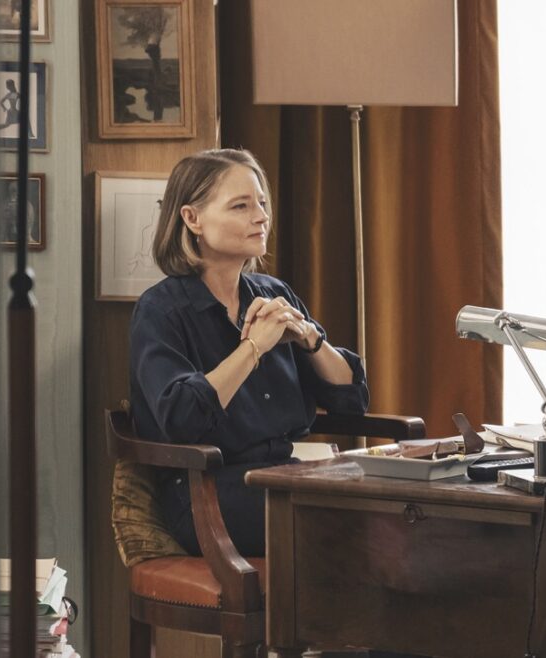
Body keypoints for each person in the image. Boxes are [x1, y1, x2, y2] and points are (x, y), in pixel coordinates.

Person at [129, 148, 369, 557]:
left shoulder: (274, 294)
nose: (261, 217)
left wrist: (310, 339)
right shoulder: (160, 310)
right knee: (361, 522)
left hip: (285, 477)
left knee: (402, 503)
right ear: (192, 218)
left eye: (261, 203)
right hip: (207, 494)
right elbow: (182, 418)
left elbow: (351, 399)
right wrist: (253, 347)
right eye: (241, 206)